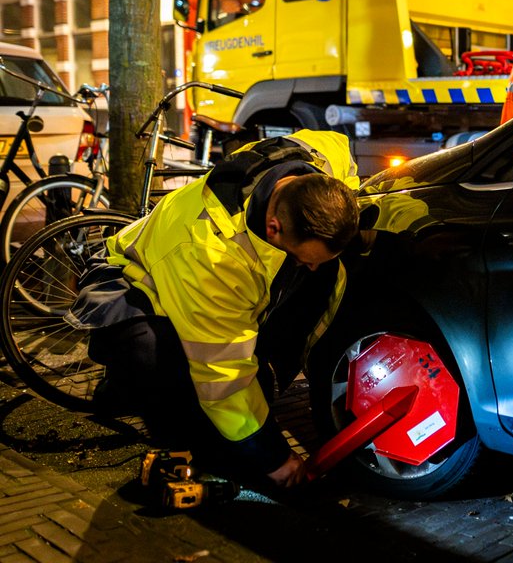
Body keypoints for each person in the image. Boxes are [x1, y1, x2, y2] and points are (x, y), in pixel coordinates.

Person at [66, 129, 361, 490]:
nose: (311, 267)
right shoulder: (211, 259)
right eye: (305, 258)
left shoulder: (318, 161)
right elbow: (224, 379)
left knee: (258, 387)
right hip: (134, 286)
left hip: (205, 281)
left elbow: (339, 146)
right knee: (187, 396)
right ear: (274, 227)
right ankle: (125, 387)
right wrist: (275, 460)